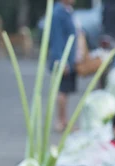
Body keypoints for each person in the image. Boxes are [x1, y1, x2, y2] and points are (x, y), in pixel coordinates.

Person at [50, 0, 79, 133]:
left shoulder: (67, 11)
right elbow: (57, 38)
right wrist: (62, 61)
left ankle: (64, 120)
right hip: (63, 58)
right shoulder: (58, 13)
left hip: (69, 57)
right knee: (62, 90)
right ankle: (60, 121)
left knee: (65, 91)